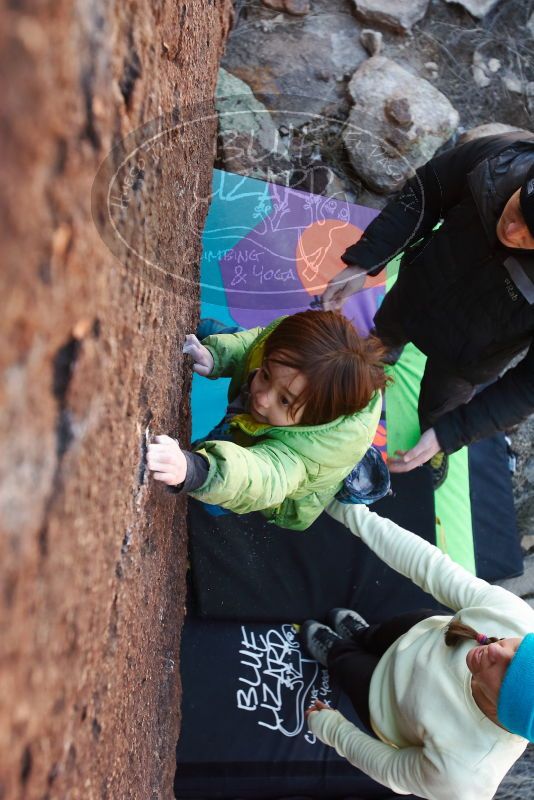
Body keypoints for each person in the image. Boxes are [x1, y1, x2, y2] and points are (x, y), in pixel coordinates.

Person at [321, 133, 534, 486]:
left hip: (466, 360)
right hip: (414, 294)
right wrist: (366, 260)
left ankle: (433, 445)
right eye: (516, 209)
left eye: (531, 236)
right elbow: (426, 192)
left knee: (440, 411)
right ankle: (364, 374)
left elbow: (528, 385)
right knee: (375, 349)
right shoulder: (498, 159)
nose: (511, 231)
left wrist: (450, 433)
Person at [299, 499, 534, 800]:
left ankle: (335, 650)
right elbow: (429, 566)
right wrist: (352, 513)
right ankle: (361, 633)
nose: (498, 651)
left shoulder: (467, 776)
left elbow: (393, 769)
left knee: (346, 662)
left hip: (382, 698)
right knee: (375, 634)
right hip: (418, 633)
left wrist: (333, 729)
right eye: (521, 648)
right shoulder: (517, 619)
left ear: (504, 714)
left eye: (506, 673)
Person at [146, 310, 388, 530]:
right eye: (266, 375)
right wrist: (216, 354)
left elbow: (259, 475)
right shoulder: (289, 364)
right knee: (247, 353)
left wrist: (194, 470)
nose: (262, 398)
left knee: (214, 484)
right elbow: (256, 345)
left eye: (285, 400)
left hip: (269, 468)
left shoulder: (298, 460)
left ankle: (202, 494)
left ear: (313, 420)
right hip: (267, 422)